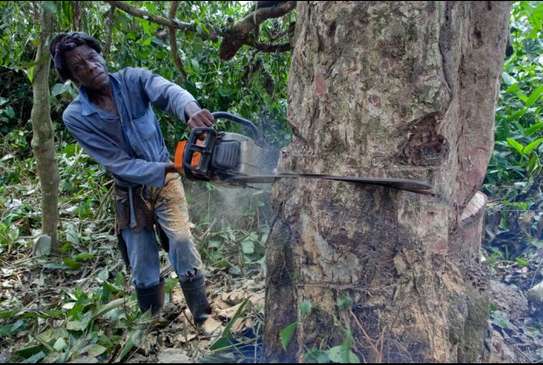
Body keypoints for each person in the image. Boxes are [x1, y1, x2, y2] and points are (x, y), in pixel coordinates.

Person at [50, 32, 214, 325]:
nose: (89, 67)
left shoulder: (133, 79)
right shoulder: (75, 116)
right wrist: (169, 168)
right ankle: (151, 322)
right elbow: (117, 162)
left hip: (166, 183)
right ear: (72, 78)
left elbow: (167, 90)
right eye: (79, 67)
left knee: (180, 240)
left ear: (101, 56)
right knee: (141, 259)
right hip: (129, 191)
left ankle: (202, 315)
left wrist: (190, 109)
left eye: (92, 58)